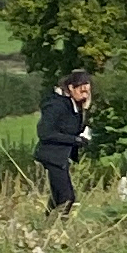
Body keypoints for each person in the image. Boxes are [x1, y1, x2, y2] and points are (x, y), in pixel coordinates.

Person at [34, 68, 93, 214]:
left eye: (87, 92)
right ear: (71, 88)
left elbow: (76, 128)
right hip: (52, 155)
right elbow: (44, 133)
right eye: (82, 91)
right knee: (67, 197)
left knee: (58, 197)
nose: (85, 95)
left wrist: (85, 110)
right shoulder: (56, 105)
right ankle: (56, 227)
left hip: (61, 157)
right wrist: (75, 140)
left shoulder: (75, 106)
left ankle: (47, 225)